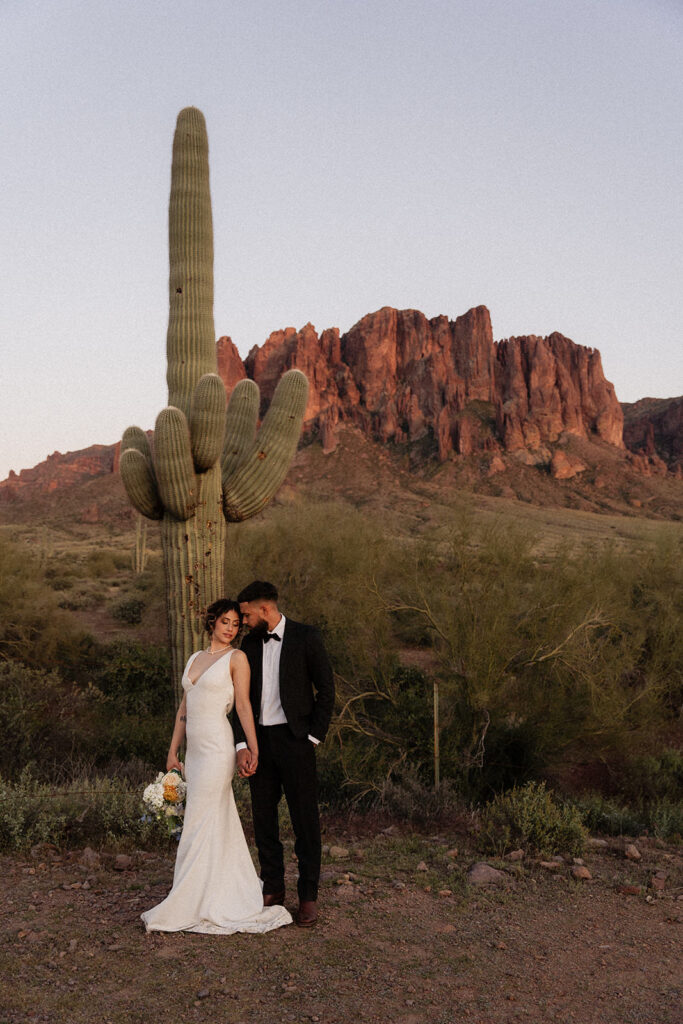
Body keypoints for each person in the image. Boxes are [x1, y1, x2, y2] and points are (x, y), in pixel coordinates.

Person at [141, 598, 292, 934]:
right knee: (208, 819)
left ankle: (188, 899)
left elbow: (242, 706)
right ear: (212, 622)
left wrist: (252, 747)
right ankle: (204, 891)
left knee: (198, 820)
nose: (231, 629)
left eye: (236, 624)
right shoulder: (195, 658)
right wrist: (172, 751)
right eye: (225, 622)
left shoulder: (236, 659)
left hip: (217, 748)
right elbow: (184, 706)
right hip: (194, 752)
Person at [235, 581, 335, 928]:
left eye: (247, 614)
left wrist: (313, 738)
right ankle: (272, 888)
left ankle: (307, 896)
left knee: (305, 820)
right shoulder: (248, 644)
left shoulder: (307, 636)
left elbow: (327, 689)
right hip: (259, 741)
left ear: (264, 609)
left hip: (297, 742)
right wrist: (242, 745)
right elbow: (238, 699)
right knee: (264, 818)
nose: (243, 622)